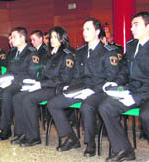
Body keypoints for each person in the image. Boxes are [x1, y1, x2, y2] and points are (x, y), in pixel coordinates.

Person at [47, 18, 120, 154]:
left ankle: (90, 143)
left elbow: (112, 78)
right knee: (53, 103)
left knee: (86, 106)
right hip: (82, 88)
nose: (84, 32)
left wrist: (92, 90)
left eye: (88, 29)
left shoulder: (108, 51)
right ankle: (71, 138)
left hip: (100, 91)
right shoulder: (80, 52)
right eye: (83, 29)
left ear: (97, 31)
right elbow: (76, 75)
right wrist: (70, 87)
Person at [99, 11, 149, 162]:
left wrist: (136, 97)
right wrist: (116, 82)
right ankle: (124, 149)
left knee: (147, 115)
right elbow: (124, 69)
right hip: (133, 90)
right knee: (106, 106)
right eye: (132, 25)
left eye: (135, 25)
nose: (131, 28)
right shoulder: (131, 45)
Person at [11, 26, 75, 147]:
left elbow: (64, 79)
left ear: (62, 38)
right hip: (45, 86)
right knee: (18, 97)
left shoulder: (67, 55)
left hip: (58, 88)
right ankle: (22, 132)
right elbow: (42, 74)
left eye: (55, 37)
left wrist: (40, 84)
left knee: (29, 99)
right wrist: (34, 83)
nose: (52, 39)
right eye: (51, 37)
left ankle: (34, 136)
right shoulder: (48, 54)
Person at [0, 27, 40, 141]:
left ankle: (6, 129)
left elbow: (32, 74)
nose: (11, 39)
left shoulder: (32, 53)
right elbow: (9, 71)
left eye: (14, 37)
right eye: (11, 37)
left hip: (22, 83)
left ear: (23, 38)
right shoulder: (12, 52)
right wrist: (1, 80)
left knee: (6, 93)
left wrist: (12, 80)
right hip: (9, 82)